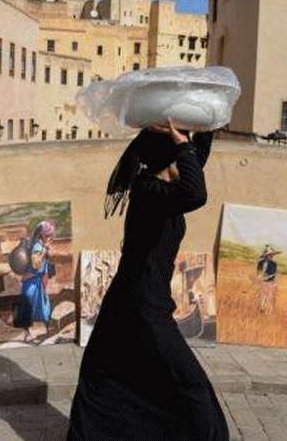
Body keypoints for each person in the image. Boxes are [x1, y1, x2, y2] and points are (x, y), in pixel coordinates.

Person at [68, 118, 228, 440]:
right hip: (143, 307)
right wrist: (182, 143)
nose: (193, 161)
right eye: (184, 155)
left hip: (131, 300)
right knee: (190, 383)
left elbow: (195, 167)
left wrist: (207, 125)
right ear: (169, 159)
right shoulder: (148, 190)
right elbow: (197, 194)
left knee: (110, 375)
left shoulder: (164, 191)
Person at [16, 221, 56, 342]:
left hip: (36, 281)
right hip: (31, 283)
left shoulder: (40, 246)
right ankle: (27, 333)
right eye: (49, 236)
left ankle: (47, 329)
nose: (51, 238)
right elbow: (36, 264)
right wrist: (45, 249)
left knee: (44, 306)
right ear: (43, 236)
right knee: (28, 307)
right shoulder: (38, 247)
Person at [256, 245, 281, 314]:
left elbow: (273, 274)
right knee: (262, 296)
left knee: (270, 297)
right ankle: (262, 310)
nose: (271, 256)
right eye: (270, 255)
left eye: (272, 255)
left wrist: (266, 277)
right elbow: (258, 272)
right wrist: (259, 277)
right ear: (266, 256)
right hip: (262, 282)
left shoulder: (274, 264)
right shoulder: (260, 262)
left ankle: (268, 312)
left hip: (270, 282)